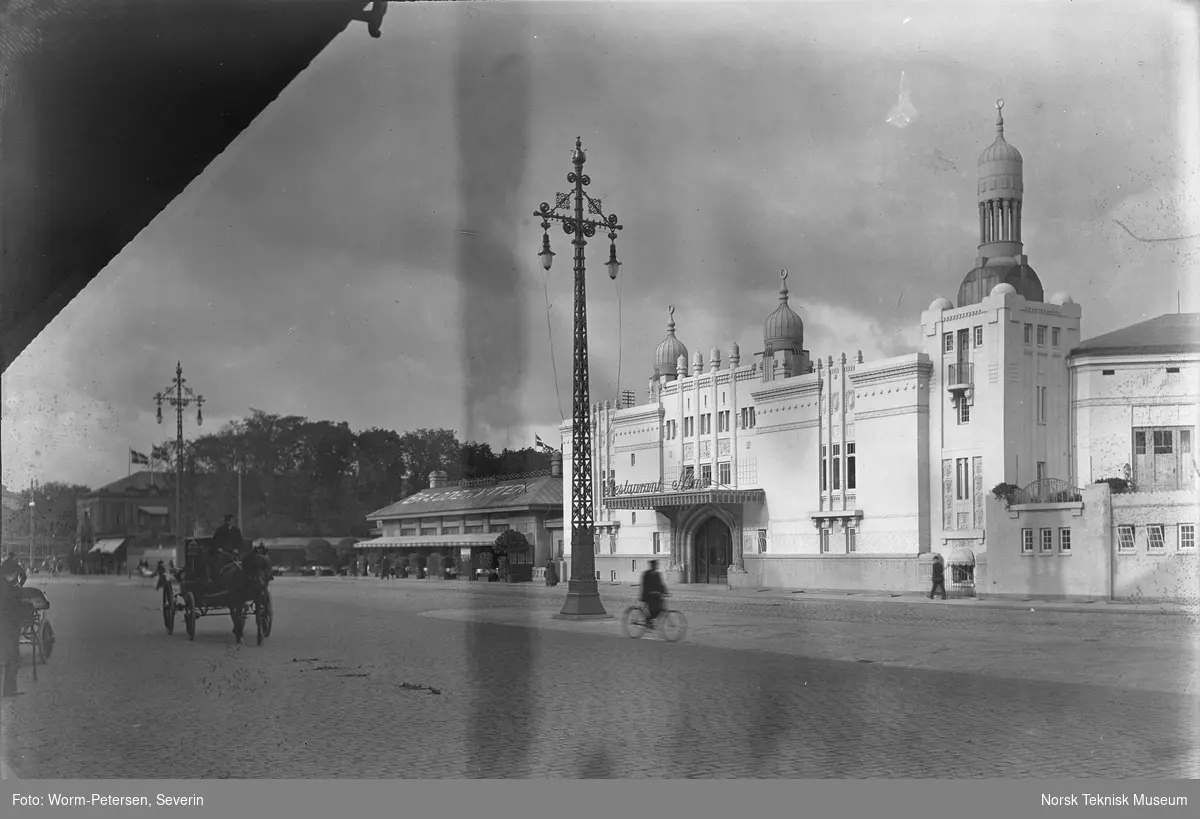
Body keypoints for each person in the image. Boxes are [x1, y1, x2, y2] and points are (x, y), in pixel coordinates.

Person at [1, 560, 27, 696]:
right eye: (14, 573)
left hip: (6, 628)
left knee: (9, 658)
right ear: (10, 573)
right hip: (9, 628)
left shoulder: (5, 584)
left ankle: (9, 689)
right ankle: (9, 690)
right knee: (13, 658)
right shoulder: (10, 589)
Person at [640, 559, 667, 630]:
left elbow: (661, 584)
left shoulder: (657, 574)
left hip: (656, 596)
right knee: (652, 610)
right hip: (648, 596)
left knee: (660, 609)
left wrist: (665, 592)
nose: (656, 566)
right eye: (654, 565)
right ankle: (648, 621)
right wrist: (650, 592)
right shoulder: (646, 574)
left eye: (656, 565)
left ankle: (649, 621)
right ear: (651, 566)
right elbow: (645, 585)